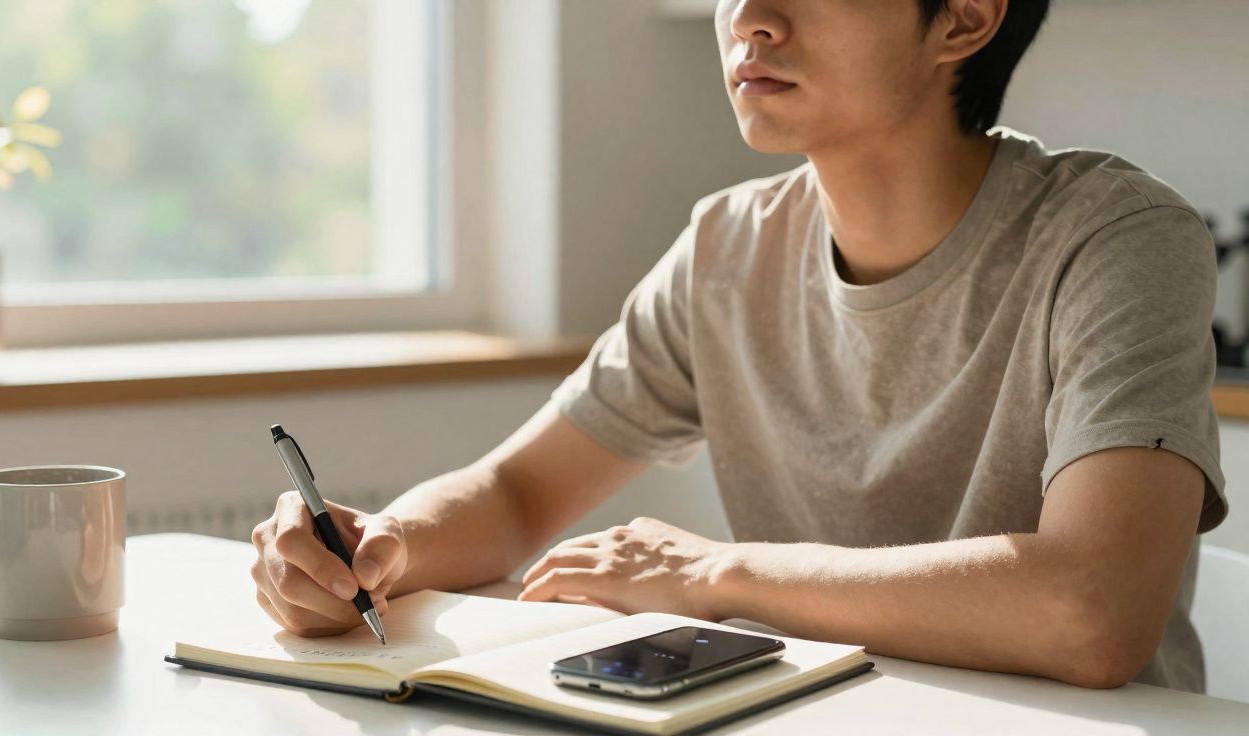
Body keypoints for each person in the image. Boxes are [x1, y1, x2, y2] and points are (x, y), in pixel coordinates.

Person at [251, 0, 1228, 692]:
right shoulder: (727, 246)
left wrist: (716, 573)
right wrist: (378, 551)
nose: (750, 16)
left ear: (963, 18)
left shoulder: (1118, 237)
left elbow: (1092, 611)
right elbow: (514, 494)